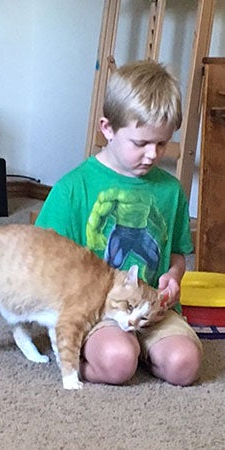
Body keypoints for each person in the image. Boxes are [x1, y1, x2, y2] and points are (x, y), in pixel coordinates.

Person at [35, 60, 203, 387]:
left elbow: (179, 253)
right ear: (107, 128)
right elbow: (44, 256)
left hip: (152, 308)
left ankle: (144, 351)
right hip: (96, 309)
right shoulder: (74, 188)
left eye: (162, 143)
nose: (153, 154)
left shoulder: (170, 191)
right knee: (118, 362)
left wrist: (174, 275)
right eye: (140, 143)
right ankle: (73, 356)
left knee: (185, 366)